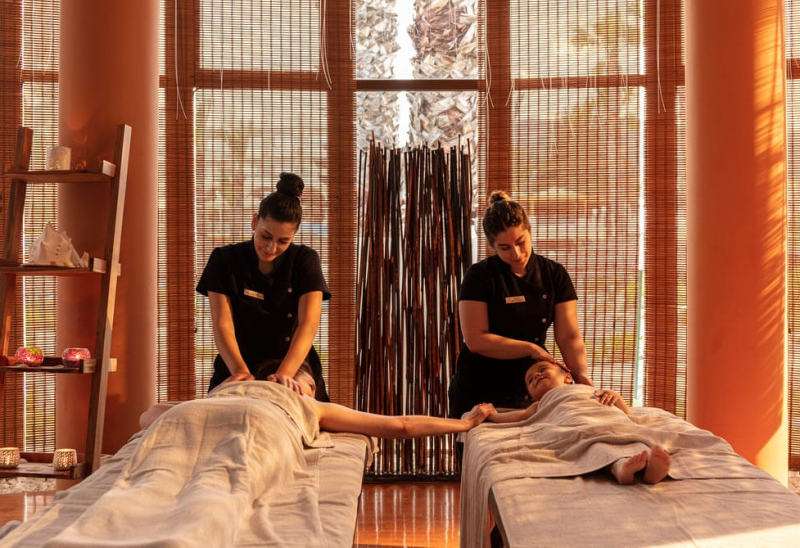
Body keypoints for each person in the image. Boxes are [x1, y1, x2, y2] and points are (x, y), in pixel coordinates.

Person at [449, 190, 594, 421]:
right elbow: (476, 339)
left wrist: (581, 376)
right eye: (505, 247)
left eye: (520, 242)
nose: (516, 253)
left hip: (530, 385)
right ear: (492, 246)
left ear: (530, 231)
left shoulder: (554, 275)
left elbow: (569, 336)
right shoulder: (479, 277)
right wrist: (530, 348)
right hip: (480, 384)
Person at [196, 172, 332, 399]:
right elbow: (223, 325)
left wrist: (283, 376)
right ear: (254, 221)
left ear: (294, 235)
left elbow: (308, 324)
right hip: (237, 363)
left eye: (283, 241)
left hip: (293, 365)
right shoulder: (224, 260)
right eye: (266, 236)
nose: (271, 247)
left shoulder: (305, 260)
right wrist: (239, 371)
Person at [141, 361, 497, 438]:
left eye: (311, 389)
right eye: (308, 384)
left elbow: (399, 425)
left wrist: (464, 423)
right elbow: (400, 426)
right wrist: (223, 391)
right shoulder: (236, 389)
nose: (308, 391)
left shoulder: (308, 407)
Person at [488, 359, 671, 485]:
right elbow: (520, 416)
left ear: (567, 377)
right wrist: (492, 415)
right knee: (595, 445)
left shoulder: (588, 389)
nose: (536, 375)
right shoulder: (541, 403)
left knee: (629, 435)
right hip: (576, 422)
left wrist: (614, 396)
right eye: (530, 380)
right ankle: (620, 468)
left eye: (542, 370)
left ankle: (650, 470)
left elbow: (626, 413)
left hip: (606, 416)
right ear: (533, 396)